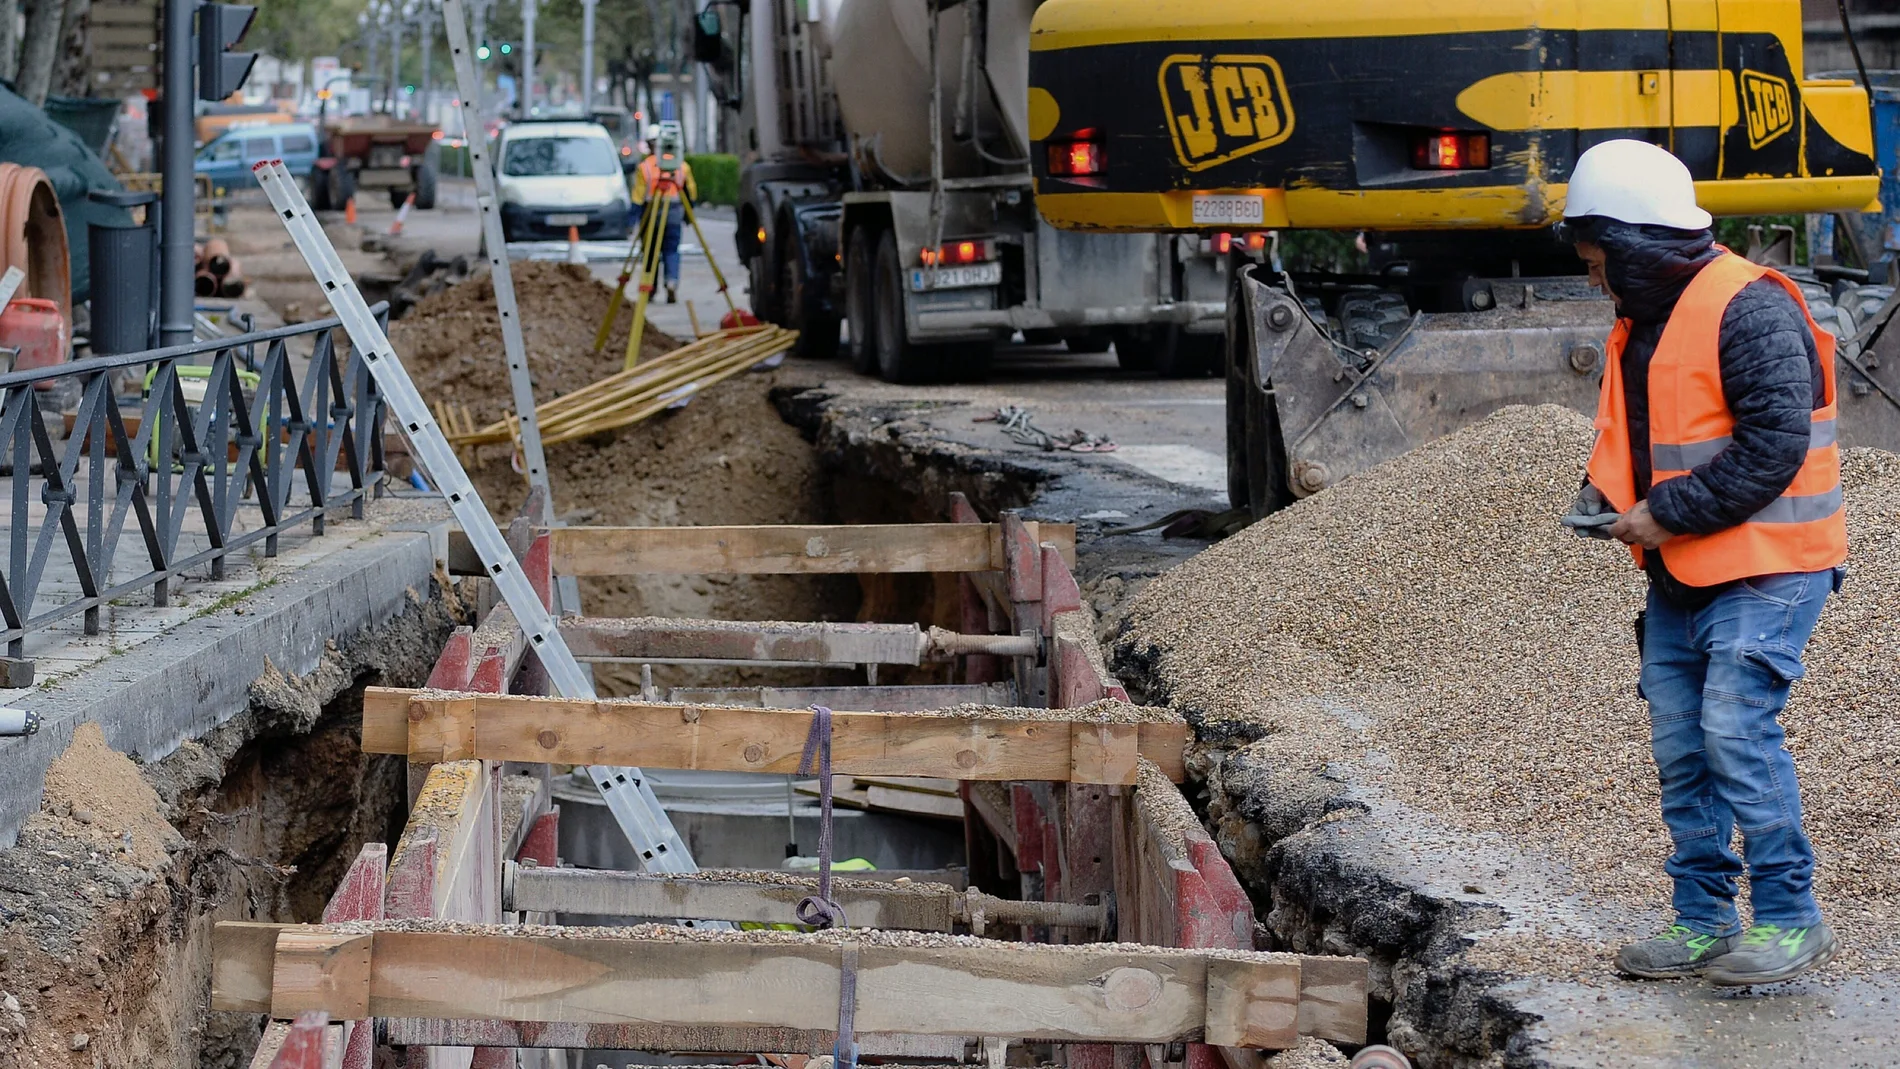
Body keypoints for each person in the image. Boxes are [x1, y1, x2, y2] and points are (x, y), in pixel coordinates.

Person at [1559, 139, 1847, 986]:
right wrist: (1601, 497)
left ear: (1637, 244)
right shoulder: (1642, 321)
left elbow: (1774, 446)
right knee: (1684, 745)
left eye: (1599, 259)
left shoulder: (1748, 308)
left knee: (1734, 726)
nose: (1594, 278)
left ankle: (1793, 920)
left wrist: (1661, 514)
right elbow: (1644, 435)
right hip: (1683, 570)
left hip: (1771, 565)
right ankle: (1704, 921)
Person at [630, 122, 698, 304]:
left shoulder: (645, 166)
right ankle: (671, 282)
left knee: (651, 253)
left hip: (651, 214)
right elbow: (690, 192)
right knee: (671, 250)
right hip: (674, 213)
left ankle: (649, 288)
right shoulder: (681, 165)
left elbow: (637, 196)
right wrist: (689, 214)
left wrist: (632, 220)